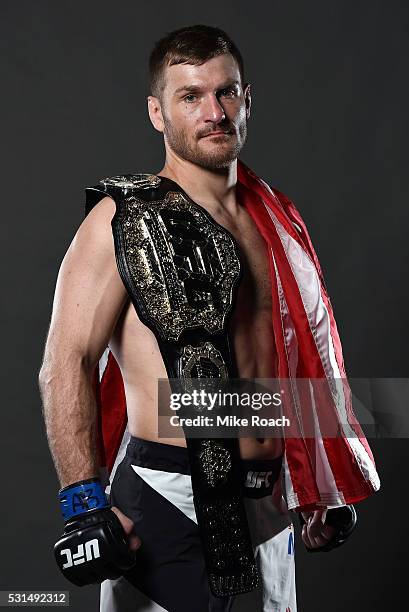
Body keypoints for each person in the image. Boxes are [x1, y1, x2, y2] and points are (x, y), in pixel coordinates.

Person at [39, 25, 380, 612]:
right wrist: (85, 505)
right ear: (157, 112)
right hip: (169, 495)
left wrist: (315, 480)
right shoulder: (123, 221)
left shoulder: (276, 219)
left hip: (270, 501)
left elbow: (298, 360)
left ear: (248, 100)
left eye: (226, 93)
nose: (213, 112)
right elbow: (64, 364)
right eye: (190, 96)